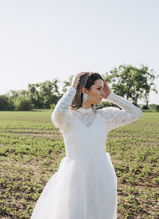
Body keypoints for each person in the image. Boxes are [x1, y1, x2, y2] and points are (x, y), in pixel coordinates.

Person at [31, 72, 143, 219]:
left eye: (103, 89)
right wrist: (72, 88)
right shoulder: (67, 119)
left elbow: (136, 113)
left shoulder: (104, 117)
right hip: (74, 176)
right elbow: (57, 114)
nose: (102, 93)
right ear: (85, 91)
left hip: (101, 176)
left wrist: (111, 96)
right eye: (98, 89)